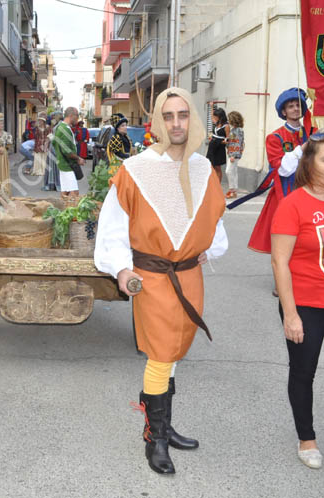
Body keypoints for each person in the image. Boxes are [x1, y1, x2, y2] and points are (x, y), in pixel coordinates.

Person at [94, 87, 228, 475]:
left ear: (193, 119)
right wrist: (121, 268)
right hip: (153, 277)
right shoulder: (135, 170)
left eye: (182, 115)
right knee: (160, 353)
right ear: (156, 121)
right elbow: (113, 228)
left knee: (174, 351)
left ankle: (164, 424)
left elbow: (214, 221)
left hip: (189, 275)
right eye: (167, 116)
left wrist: (209, 246)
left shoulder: (203, 168)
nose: (176, 123)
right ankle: (156, 438)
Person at [270, 129, 324, 473]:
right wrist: (291, 314)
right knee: (304, 373)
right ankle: (307, 439)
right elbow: (279, 262)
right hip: (306, 305)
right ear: (309, 162)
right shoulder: (292, 204)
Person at [245, 88, 315, 254]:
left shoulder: (312, 133)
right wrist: (301, 150)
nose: (295, 109)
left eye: (298, 105)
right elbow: (281, 169)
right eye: (291, 106)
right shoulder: (275, 137)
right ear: (284, 111)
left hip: (310, 191)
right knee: (286, 238)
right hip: (286, 193)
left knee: (309, 236)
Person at [52, 107, 84, 206]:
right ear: (71, 116)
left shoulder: (59, 127)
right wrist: (78, 158)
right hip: (67, 165)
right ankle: (70, 214)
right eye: (77, 116)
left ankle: (62, 213)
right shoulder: (64, 129)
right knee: (74, 192)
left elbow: (54, 143)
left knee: (65, 192)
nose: (77, 119)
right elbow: (66, 151)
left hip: (63, 163)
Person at [206, 107, 229, 184]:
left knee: (217, 167)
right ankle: (213, 183)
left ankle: (218, 185)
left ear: (221, 116)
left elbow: (228, 139)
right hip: (212, 147)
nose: (214, 118)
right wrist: (211, 106)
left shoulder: (226, 126)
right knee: (211, 166)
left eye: (216, 116)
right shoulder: (216, 123)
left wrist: (221, 142)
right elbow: (212, 116)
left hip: (219, 148)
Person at [225, 111, 245, 199]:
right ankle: (234, 191)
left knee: (228, 171)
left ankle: (232, 190)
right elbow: (233, 141)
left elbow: (238, 143)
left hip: (234, 154)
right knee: (233, 171)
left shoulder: (238, 130)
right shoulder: (234, 130)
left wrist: (233, 154)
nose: (228, 121)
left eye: (230, 119)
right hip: (232, 153)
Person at [43, 112, 63, 191]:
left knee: (55, 166)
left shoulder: (60, 125)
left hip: (55, 147)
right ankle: (52, 183)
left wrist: (49, 139)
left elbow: (56, 136)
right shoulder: (56, 125)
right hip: (52, 147)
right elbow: (51, 133)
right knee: (52, 165)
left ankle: (55, 184)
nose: (52, 118)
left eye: (53, 117)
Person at [30, 112, 50, 176]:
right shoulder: (37, 128)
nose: (40, 122)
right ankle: (37, 170)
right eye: (39, 121)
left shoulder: (47, 128)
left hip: (45, 145)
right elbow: (35, 137)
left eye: (41, 121)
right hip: (38, 145)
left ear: (44, 121)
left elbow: (50, 136)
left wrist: (46, 144)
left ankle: (43, 170)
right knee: (38, 157)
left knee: (44, 158)